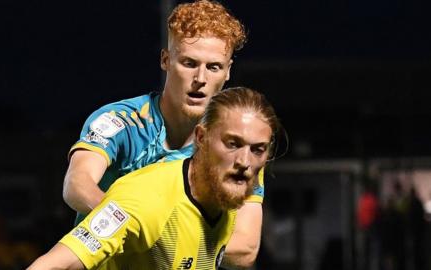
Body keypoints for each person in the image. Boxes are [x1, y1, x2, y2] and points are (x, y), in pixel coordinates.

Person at [62, 1, 262, 268]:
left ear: (227, 72)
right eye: (189, 63)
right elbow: (76, 185)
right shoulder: (121, 121)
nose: (200, 78)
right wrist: (135, 223)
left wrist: (169, 236)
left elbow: (246, 247)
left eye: (213, 67)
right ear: (166, 60)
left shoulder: (238, 146)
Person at [28, 87, 281, 270]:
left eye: (257, 149)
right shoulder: (146, 199)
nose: (244, 161)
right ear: (201, 139)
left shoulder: (229, 192)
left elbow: (246, 251)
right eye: (232, 143)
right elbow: (53, 265)